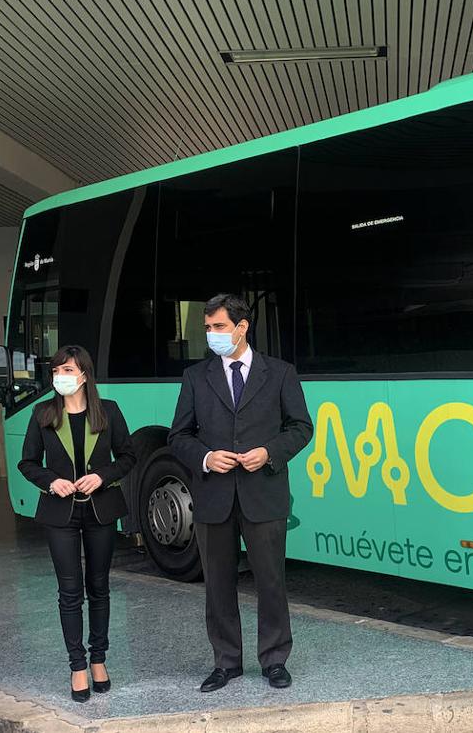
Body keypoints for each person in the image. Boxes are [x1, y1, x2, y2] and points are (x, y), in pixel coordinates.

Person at [168, 294, 313, 692]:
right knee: (217, 584)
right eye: (208, 328)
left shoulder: (280, 373)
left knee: (271, 581)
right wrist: (206, 457)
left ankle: (274, 659)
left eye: (219, 327)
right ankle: (226, 662)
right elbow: (178, 435)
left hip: (263, 494)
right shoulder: (196, 377)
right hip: (214, 495)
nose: (212, 335)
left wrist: (269, 453)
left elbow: (301, 427)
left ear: (242, 326)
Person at [18, 346, 135, 703]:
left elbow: (128, 456)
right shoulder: (42, 414)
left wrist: (102, 476)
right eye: (56, 370)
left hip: (100, 510)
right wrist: (51, 481)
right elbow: (27, 462)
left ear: (84, 374)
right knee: (69, 591)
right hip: (60, 514)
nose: (61, 376)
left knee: (99, 587)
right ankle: (77, 666)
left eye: (67, 369)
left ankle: (99, 659)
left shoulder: (109, 412)